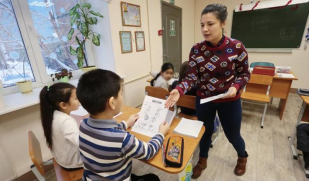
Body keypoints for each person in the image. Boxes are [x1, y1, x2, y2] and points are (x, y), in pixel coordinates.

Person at [165, 3, 251, 179]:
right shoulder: (197, 49)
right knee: (204, 132)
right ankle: (202, 160)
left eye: (210, 24)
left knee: (233, 135)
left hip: (230, 101)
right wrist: (179, 90)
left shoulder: (237, 47)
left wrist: (236, 86)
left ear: (223, 23)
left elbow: (244, 74)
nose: (205, 29)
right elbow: (191, 77)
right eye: (202, 25)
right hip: (204, 100)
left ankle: (242, 157)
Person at [76, 69, 170, 181]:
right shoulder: (122, 139)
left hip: (91, 178)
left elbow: (107, 134)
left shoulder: (84, 125)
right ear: (112, 103)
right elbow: (148, 151)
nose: (122, 96)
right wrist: (161, 133)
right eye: (121, 93)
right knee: (153, 178)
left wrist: (126, 123)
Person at [39, 83, 83, 169]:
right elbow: (81, 143)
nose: (79, 100)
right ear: (63, 105)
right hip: (73, 163)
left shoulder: (53, 115)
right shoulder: (66, 121)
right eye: (76, 98)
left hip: (61, 159)